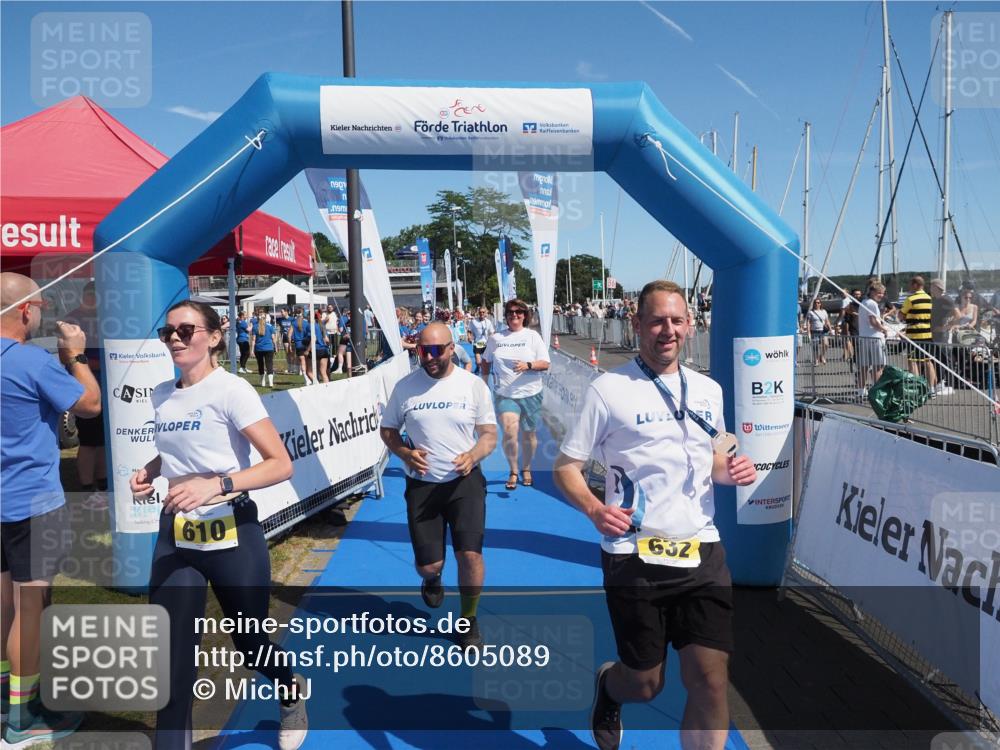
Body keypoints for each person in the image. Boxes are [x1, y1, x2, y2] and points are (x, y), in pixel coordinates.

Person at [553, 279, 757, 750]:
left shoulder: (707, 390)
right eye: (658, 321)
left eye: (677, 320)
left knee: (710, 678)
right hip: (634, 554)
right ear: (638, 324)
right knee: (645, 684)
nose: (669, 330)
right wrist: (595, 509)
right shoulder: (608, 390)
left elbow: (711, 461)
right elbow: (566, 467)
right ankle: (611, 686)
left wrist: (731, 470)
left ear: (690, 325)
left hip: (701, 549)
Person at [130, 300, 306, 750]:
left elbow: (279, 464)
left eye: (186, 330)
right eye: (168, 331)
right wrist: (150, 470)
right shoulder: (161, 393)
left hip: (232, 530)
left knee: (250, 642)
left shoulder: (232, 390)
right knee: (172, 654)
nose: (174, 338)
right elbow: (176, 450)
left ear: (213, 337)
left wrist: (217, 484)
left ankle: (289, 689)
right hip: (177, 533)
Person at [1, 272, 102, 747]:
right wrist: (75, 355)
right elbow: (90, 404)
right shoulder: (31, 361)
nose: (43, 314)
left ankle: (7, 698)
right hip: (31, 501)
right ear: (26, 311)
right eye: (41, 306)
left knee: (4, 604)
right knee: (31, 608)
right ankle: (22, 719)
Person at [379, 323, 497, 650]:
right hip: (422, 486)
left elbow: (489, 435)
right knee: (428, 565)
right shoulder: (405, 387)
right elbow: (388, 430)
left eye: (435, 351)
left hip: (464, 483)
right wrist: (404, 452)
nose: (429, 357)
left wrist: (473, 455)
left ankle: (468, 620)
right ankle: (433, 578)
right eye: (422, 351)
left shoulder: (472, 386)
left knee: (470, 555)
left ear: (451, 348)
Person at [481, 299, 550, 491]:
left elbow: (545, 363)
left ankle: (526, 468)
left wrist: (528, 365)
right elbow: (485, 360)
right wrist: (484, 382)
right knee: (510, 432)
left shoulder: (533, 336)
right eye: (510, 312)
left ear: (525, 315)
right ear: (506, 316)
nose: (514, 315)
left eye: (519, 312)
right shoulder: (496, 338)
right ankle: (513, 470)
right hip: (505, 394)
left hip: (531, 393)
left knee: (529, 435)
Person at [63, 280, 108, 510]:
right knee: (90, 442)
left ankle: (103, 485)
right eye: (92, 296)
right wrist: (106, 364)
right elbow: (69, 357)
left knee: (102, 440)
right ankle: (88, 490)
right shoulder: (73, 321)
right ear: (85, 296)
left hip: (108, 389)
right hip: (86, 389)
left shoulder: (106, 318)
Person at [901, 276, 936, 392]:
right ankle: (931, 389)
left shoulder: (910, 299)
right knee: (928, 361)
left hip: (914, 334)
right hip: (928, 333)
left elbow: (901, 315)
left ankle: (917, 388)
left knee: (913, 361)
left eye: (910, 284)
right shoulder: (930, 299)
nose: (909, 287)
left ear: (915, 285)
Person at [857, 283, 889, 395]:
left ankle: (861, 391)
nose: (881, 295)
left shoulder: (864, 302)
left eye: (882, 293)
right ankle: (877, 392)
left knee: (864, 366)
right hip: (875, 338)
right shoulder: (872, 304)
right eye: (879, 293)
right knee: (878, 366)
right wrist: (884, 329)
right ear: (872, 292)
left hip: (864, 337)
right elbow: (873, 322)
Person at [929, 278, 959, 395]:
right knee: (939, 358)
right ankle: (941, 383)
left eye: (932, 286)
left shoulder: (946, 299)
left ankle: (950, 385)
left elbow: (958, 314)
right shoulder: (935, 299)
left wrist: (946, 327)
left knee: (946, 358)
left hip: (943, 335)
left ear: (936, 287)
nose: (930, 288)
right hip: (935, 334)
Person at [250, 310, 278, 388]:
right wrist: (276, 347)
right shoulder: (270, 326)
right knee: (269, 365)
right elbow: (273, 338)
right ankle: (271, 383)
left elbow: (253, 340)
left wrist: (252, 350)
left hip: (258, 349)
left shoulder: (255, 327)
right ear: (265, 318)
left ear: (257, 318)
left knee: (260, 365)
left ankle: (262, 382)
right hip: (269, 348)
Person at [468, 307, 495, 375]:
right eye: (480, 312)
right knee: (478, 361)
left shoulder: (488, 322)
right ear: (478, 313)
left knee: (486, 361)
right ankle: (478, 366)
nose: (481, 313)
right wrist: (469, 337)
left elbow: (492, 332)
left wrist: (491, 339)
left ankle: (484, 371)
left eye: (483, 312)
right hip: (477, 343)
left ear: (485, 313)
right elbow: (469, 330)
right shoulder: (473, 321)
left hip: (486, 343)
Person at [290, 308, 313, 385]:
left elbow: (289, 335)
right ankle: (311, 377)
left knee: (302, 361)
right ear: (303, 314)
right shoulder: (306, 323)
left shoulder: (293, 323)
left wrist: (290, 344)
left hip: (298, 344)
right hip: (306, 344)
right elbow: (310, 334)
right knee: (307, 362)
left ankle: (306, 379)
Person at [805, 298, 831, 364]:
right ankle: (816, 359)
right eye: (815, 302)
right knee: (815, 346)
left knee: (826, 344)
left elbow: (827, 321)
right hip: (814, 331)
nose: (817, 304)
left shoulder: (824, 311)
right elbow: (808, 323)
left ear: (820, 304)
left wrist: (830, 330)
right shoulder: (810, 312)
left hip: (823, 331)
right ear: (813, 304)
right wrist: (808, 332)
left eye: (818, 302)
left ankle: (822, 356)